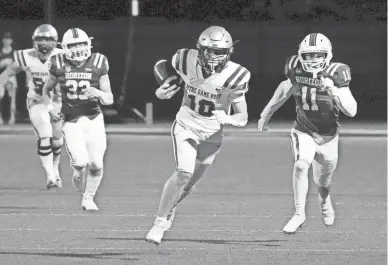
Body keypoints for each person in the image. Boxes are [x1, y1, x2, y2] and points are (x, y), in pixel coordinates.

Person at [146, 26, 251, 244]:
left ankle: (170, 209)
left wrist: (230, 119)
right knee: (183, 172)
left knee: (189, 183)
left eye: (219, 52)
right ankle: (159, 223)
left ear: (229, 52)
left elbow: (242, 115)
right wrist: (161, 89)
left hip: (212, 134)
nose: (213, 57)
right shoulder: (185, 59)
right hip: (187, 124)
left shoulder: (235, 75)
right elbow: (161, 66)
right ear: (199, 49)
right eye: (209, 51)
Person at [257, 33, 357, 234]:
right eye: (309, 55)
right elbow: (285, 89)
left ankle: (324, 200)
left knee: (323, 182)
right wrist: (265, 114)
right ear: (301, 55)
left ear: (327, 55)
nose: (313, 60)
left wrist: (334, 92)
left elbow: (351, 110)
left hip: (329, 136)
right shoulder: (295, 68)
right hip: (303, 129)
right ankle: (299, 213)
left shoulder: (336, 73)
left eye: (318, 55)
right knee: (301, 165)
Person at [42, 28, 113, 210]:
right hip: (71, 119)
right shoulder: (58, 62)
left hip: (94, 118)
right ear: (64, 47)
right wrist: (50, 108)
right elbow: (46, 89)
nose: (78, 48)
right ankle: (77, 169)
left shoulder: (99, 61)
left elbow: (109, 98)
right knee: (80, 161)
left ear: (88, 43)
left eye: (81, 44)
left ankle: (88, 198)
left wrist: (97, 92)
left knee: (97, 163)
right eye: (73, 45)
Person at [0, 24, 64, 189]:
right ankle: (50, 176)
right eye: (40, 39)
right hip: (36, 101)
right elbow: (8, 73)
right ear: (34, 41)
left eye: (47, 39)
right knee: (45, 133)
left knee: (57, 140)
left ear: (55, 41)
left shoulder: (62, 56)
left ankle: (55, 169)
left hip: (57, 102)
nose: (44, 43)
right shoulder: (26, 56)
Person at [0, 32, 17, 124]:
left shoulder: (14, 52)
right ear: (3, 40)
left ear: (11, 41)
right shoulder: (1, 52)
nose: (6, 41)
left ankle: (12, 117)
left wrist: (11, 65)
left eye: (8, 39)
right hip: (2, 76)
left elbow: (18, 66)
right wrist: (2, 63)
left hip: (11, 76)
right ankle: (0, 118)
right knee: (0, 96)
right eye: (5, 39)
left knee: (12, 98)